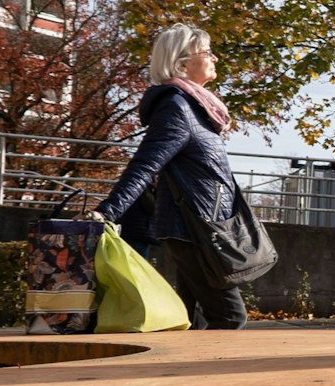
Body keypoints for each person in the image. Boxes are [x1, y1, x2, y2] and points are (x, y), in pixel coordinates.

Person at [93, 23, 247, 330]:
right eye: (207, 52)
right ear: (182, 63)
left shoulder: (197, 108)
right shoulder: (177, 109)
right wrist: (107, 211)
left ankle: (178, 373)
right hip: (193, 229)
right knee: (230, 316)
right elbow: (145, 165)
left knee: (190, 319)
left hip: (207, 225)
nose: (215, 58)